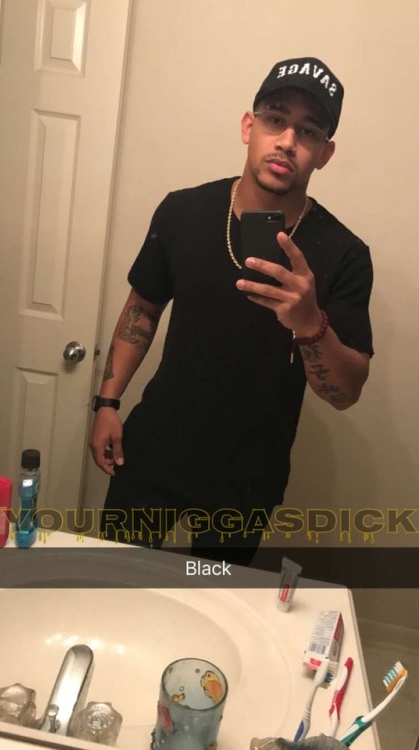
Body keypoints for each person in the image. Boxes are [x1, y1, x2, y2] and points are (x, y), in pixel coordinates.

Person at [89, 56, 373, 565]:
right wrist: (107, 402)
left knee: (213, 602)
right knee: (117, 585)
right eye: (275, 118)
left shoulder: (344, 253)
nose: (287, 140)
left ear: (324, 153)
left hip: (246, 478)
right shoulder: (183, 211)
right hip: (153, 450)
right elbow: (142, 309)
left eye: (309, 131)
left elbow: (346, 393)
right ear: (249, 126)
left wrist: (310, 324)